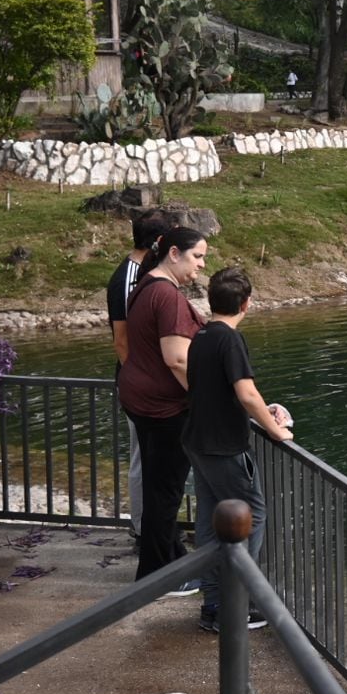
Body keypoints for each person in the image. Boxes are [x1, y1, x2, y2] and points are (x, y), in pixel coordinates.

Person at [186, 267, 293, 632]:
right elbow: (246, 393)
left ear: (211, 300)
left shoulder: (200, 336)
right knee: (252, 518)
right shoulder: (230, 340)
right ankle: (237, 606)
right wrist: (275, 430)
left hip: (198, 443)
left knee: (210, 524)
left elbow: (222, 391)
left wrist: (266, 412)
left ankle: (213, 605)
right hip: (224, 447)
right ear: (246, 303)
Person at [118, 226, 208, 591]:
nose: (202, 265)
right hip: (164, 408)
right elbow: (176, 359)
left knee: (159, 487)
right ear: (174, 253)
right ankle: (159, 576)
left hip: (141, 400)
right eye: (197, 256)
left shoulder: (144, 286)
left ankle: (165, 565)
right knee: (165, 492)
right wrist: (207, 400)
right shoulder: (167, 296)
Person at [106, 209, 175, 538]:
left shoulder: (146, 273)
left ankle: (157, 526)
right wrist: (144, 381)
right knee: (142, 457)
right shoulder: (128, 277)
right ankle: (142, 527)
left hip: (148, 384)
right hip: (140, 387)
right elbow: (121, 341)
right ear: (160, 241)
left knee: (155, 459)